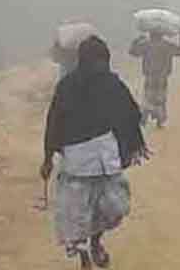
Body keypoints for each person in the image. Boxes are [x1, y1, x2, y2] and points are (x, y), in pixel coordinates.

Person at [40, 36, 149, 269]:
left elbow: (131, 113)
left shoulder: (112, 84)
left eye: (103, 60)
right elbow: (54, 122)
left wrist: (128, 144)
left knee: (112, 209)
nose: (100, 66)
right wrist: (48, 158)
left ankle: (96, 242)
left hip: (106, 161)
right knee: (77, 215)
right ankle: (84, 257)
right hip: (77, 165)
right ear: (85, 60)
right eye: (97, 60)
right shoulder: (67, 87)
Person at [128, 28, 180, 128]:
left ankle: (144, 119)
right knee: (160, 98)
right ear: (162, 35)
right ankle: (159, 120)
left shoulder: (146, 45)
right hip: (162, 76)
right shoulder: (167, 45)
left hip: (149, 76)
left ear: (150, 34)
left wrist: (137, 40)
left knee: (148, 97)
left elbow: (132, 52)